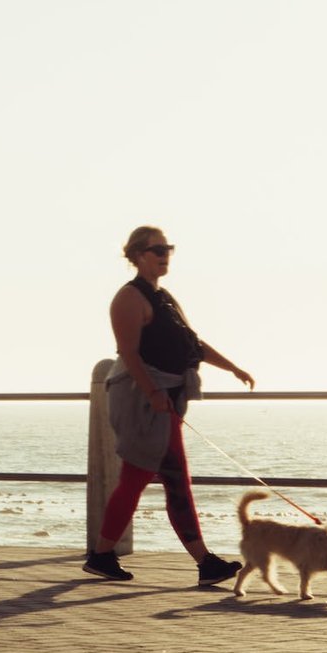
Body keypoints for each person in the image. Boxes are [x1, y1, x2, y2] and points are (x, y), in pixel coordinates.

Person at [86, 225, 253, 583]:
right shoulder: (129, 298)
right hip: (143, 404)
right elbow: (128, 353)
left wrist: (233, 368)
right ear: (137, 255)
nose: (164, 255)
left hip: (164, 402)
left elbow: (192, 343)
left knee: (136, 480)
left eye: (168, 249)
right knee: (173, 479)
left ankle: (101, 555)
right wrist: (151, 392)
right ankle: (203, 562)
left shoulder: (163, 297)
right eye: (157, 249)